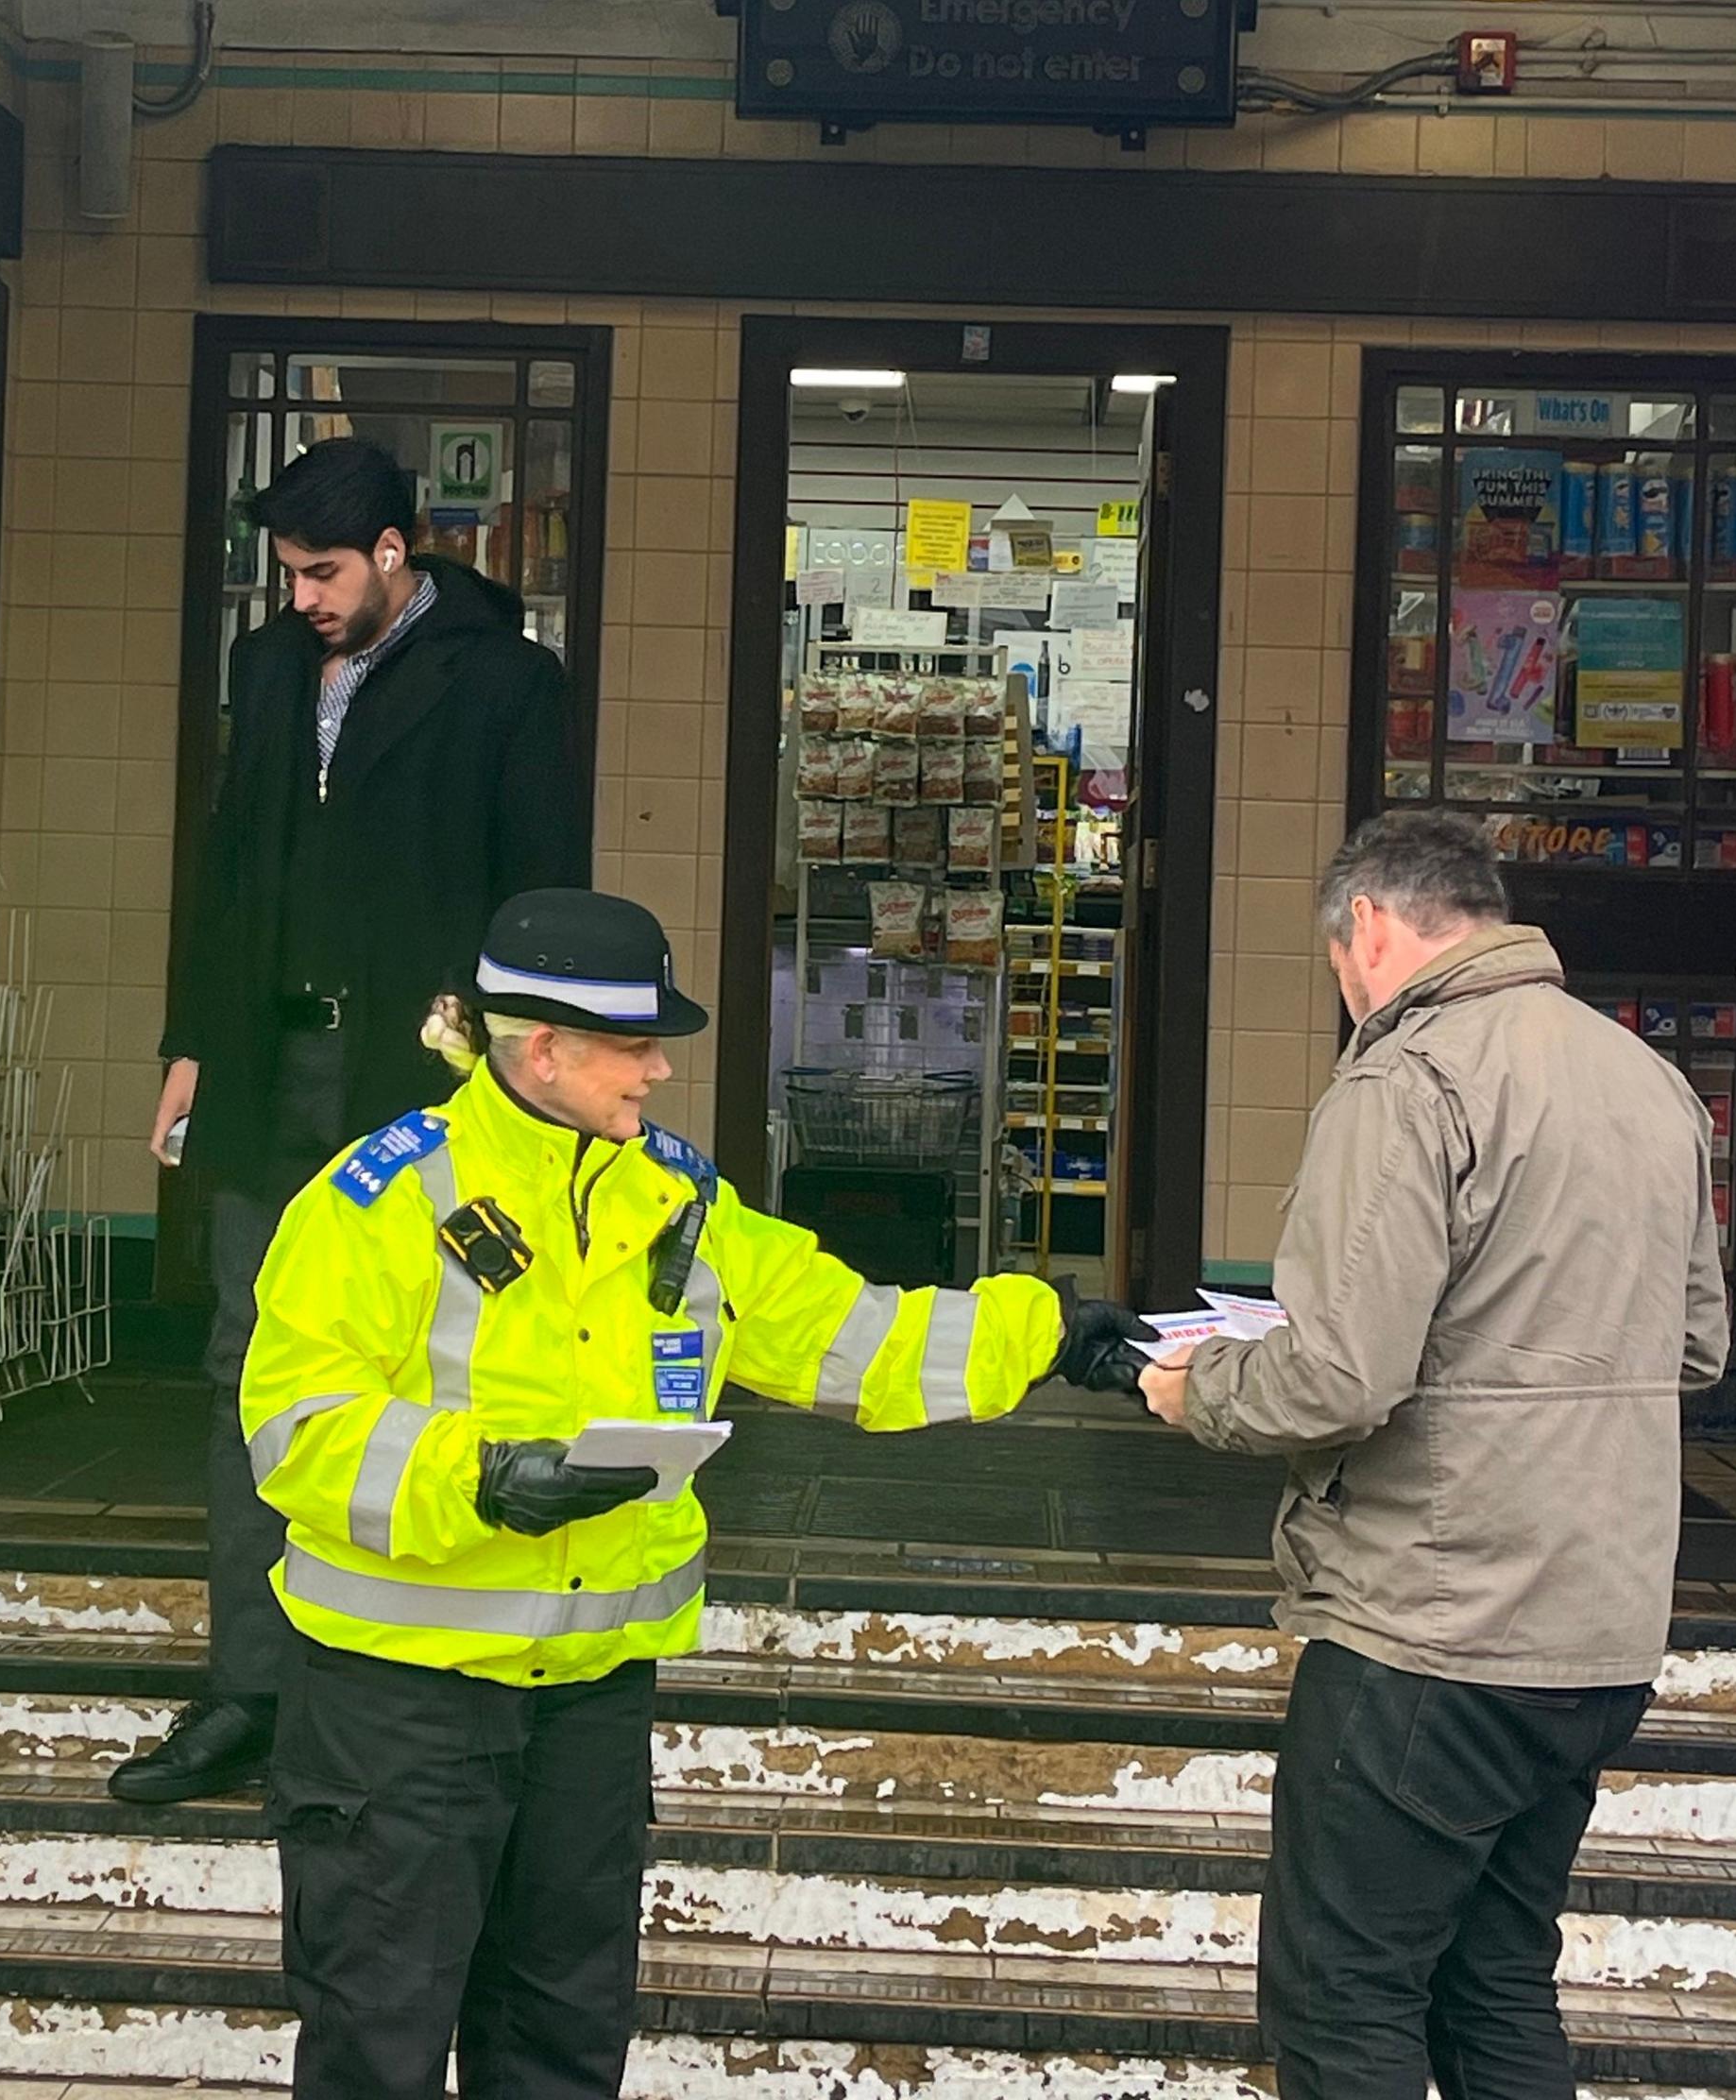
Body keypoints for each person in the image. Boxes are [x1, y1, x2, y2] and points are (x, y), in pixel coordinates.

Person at [240, 887, 1160, 2100]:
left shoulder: (676, 1195)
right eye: (634, 1045)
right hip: (400, 1709)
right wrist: (480, 1477)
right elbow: (296, 1428)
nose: (660, 1073)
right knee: (377, 2042)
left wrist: (1043, 1334)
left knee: (564, 2041)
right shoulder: (378, 1200)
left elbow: (843, 1330)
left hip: (589, 1708)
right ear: (544, 1049)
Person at [1136, 809, 1728, 2100]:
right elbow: (1693, 1351)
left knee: (1342, 1997)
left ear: (1369, 926)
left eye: (1335, 956)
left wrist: (1198, 1390)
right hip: (1597, 1628)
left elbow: (1340, 1376)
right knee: (1496, 1984)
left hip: (1434, 1626)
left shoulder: (1410, 1078)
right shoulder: (1646, 1080)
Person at [121, 436, 592, 1806]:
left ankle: (391, 1691)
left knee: (431, 1367)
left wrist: (520, 1085)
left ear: (396, 551)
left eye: (325, 572)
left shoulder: (507, 681)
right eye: (287, 574)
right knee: (245, 1374)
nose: (304, 598)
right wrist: (192, 1042)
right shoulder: (270, 668)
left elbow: (540, 887)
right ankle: (245, 1693)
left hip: (428, 1076)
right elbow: (229, 855)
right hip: (271, 1063)